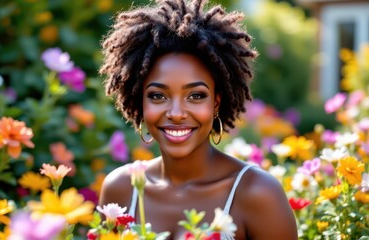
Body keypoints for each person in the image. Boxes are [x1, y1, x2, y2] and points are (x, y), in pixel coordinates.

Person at [98, 0, 298, 239]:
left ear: (216, 102)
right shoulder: (120, 190)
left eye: (195, 95)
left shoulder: (257, 193)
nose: (176, 113)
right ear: (140, 102)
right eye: (158, 95)